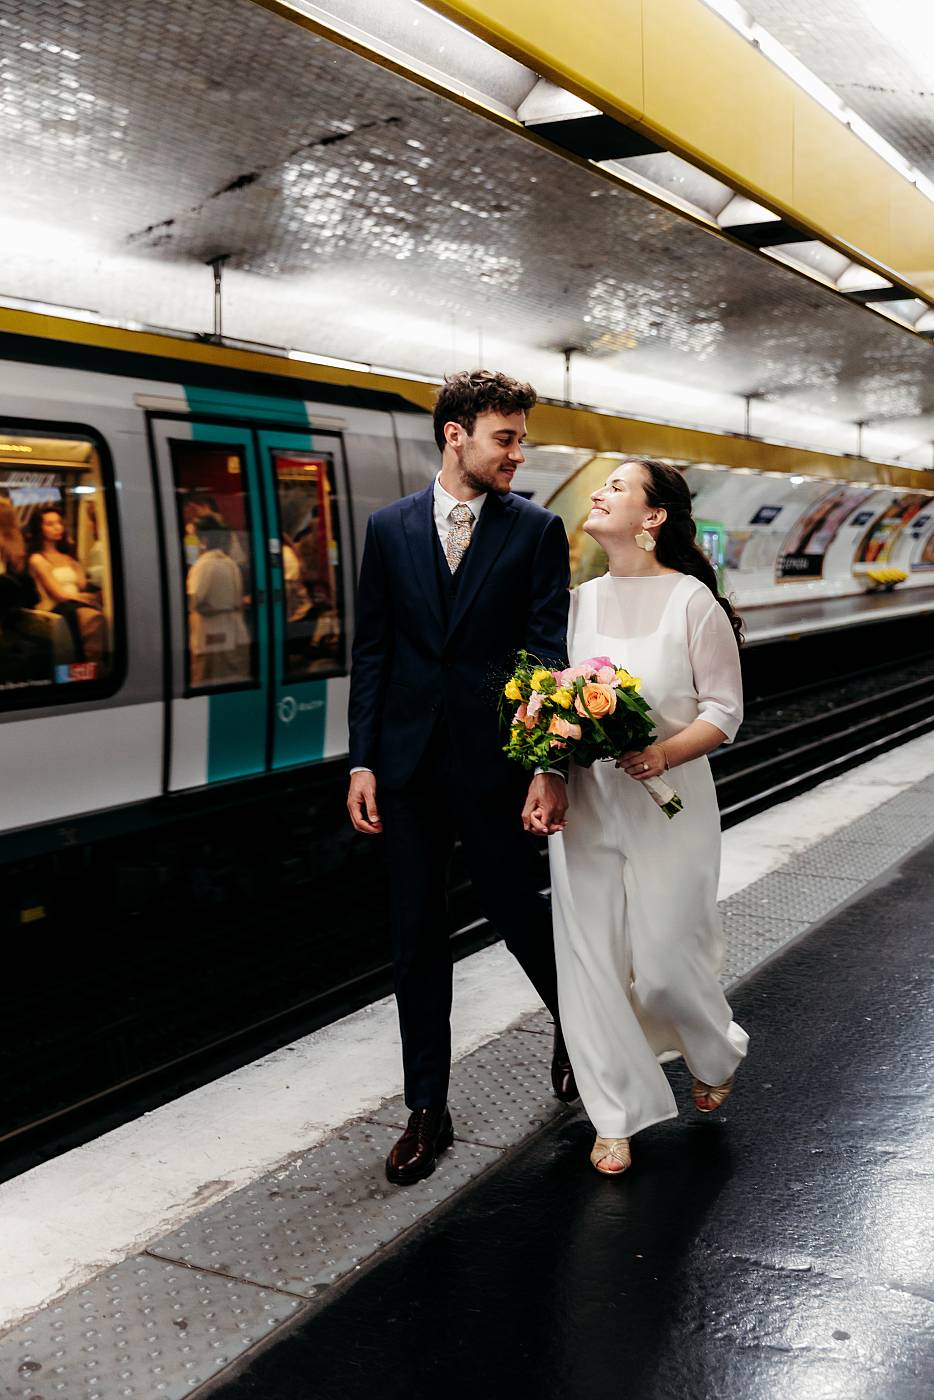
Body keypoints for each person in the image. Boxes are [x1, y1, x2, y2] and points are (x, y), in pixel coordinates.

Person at [347, 369, 577, 1186]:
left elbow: (546, 653)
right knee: (416, 940)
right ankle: (427, 1110)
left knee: (520, 918)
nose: (518, 452)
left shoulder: (537, 531)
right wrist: (364, 758)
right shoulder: (390, 528)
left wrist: (546, 765)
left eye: (520, 438)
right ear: (456, 435)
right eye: (504, 438)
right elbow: (372, 649)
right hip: (406, 765)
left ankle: (577, 1031)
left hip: (494, 765)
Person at [545, 458, 748, 1176]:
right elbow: (554, 701)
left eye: (616, 488)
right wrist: (548, 760)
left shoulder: (692, 602)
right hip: (590, 804)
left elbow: (725, 710)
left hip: (671, 806)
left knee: (664, 962)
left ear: (653, 517)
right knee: (591, 961)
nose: (597, 493)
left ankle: (714, 1047)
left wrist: (662, 755)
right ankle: (615, 1113)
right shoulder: (576, 603)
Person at [27, 505, 104, 663]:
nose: (57, 528)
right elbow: (58, 595)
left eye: (59, 523)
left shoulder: (67, 557)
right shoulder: (38, 559)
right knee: (93, 618)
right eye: (50, 524)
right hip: (55, 610)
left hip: (75, 604)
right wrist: (90, 597)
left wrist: (75, 560)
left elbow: (81, 584)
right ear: (39, 529)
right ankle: (88, 664)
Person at [186, 515, 251, 687]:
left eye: (192, 537)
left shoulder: (205, 565)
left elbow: (193, 600)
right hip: (235, 634)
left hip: (212, 639)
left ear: (204, 540)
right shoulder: (229, 562)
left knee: (209, 685)